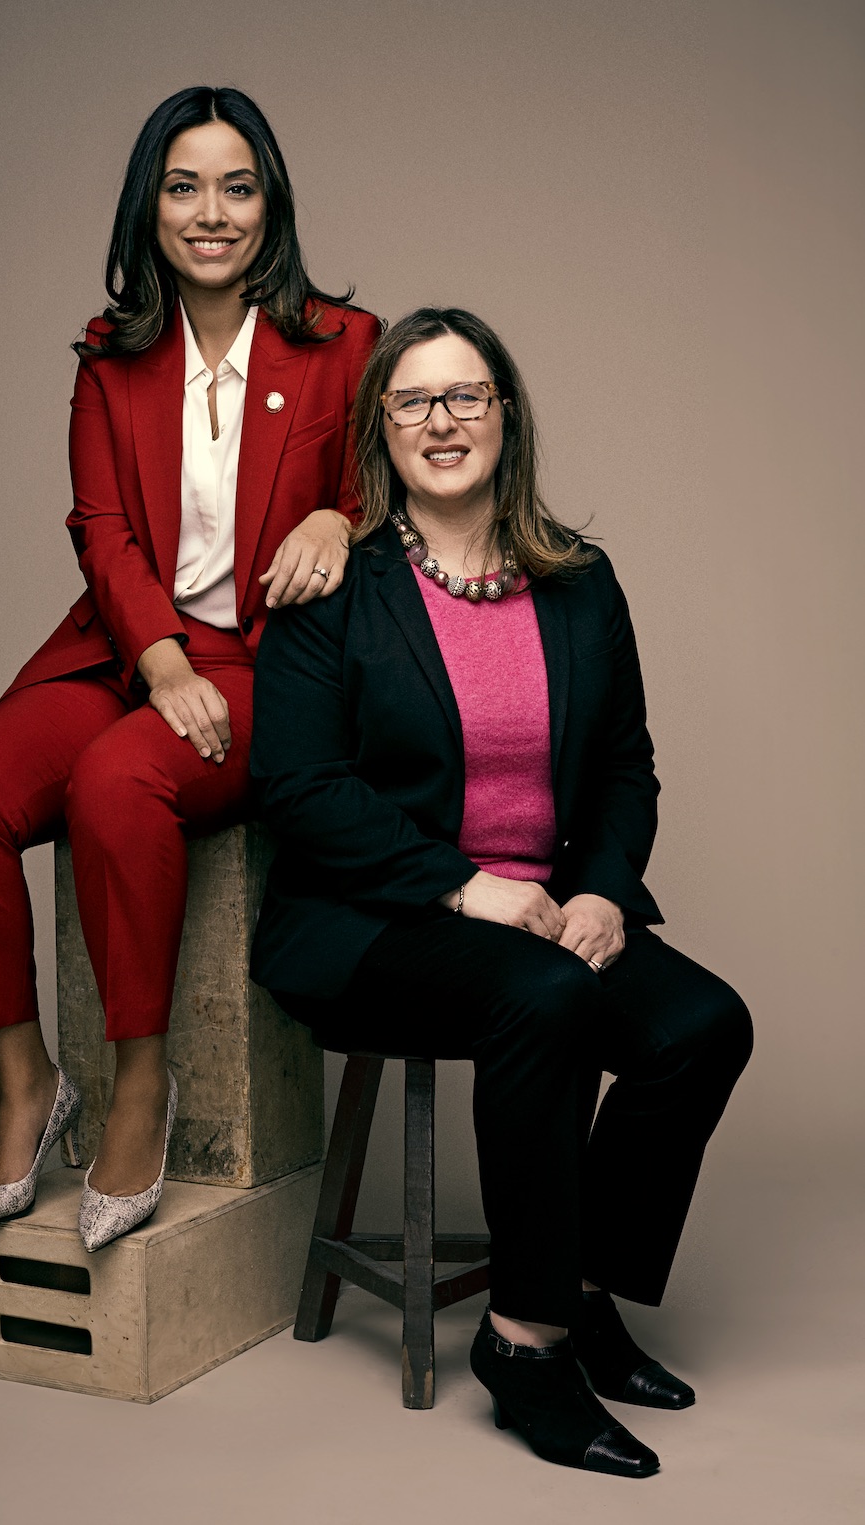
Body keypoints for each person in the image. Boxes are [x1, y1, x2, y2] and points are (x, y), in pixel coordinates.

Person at [249, 307, 752, 1477]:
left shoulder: (578, 579)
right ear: (382, 423)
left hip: (542, 911)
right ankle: (524, 1350)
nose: (444, 421)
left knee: (700, 1026)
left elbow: (626, 763)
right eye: (416, 400)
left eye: (467, 396)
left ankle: (575, 1296)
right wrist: (464, 886)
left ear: (506, 416)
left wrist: (607, 890)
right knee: (544, 998)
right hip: (373, 927)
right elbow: (300, 789)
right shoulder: (338, 585)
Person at [0, 86, 379, 1252]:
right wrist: (161, 657)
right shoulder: (109, 358)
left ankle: (137, 1081)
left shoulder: (343, 344)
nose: (211, 211)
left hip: (269, 666)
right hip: (129, 647)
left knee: (120, 782)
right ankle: (28, 1081)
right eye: (184, 186)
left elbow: (395, 485)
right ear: (149, 208)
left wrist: (344, 522)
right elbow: (102, 529)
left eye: (237, 184)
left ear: (270, 204)